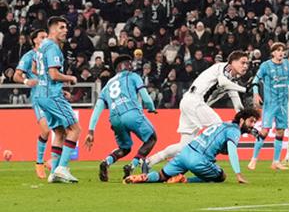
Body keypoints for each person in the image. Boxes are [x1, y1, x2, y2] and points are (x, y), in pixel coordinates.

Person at [145, 52, 250, 169]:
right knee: (219, 127)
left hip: (189, 102)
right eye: (242, 62)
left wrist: (245, 119)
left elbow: (237, 104)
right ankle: (208, 160)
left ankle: (150, 161)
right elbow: (223, 82)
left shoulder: (232, 80)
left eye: (247, 63)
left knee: (184, 146)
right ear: (232, 62)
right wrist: (245, 89)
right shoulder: (222, 68)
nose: (245, 66)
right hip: (195, 101)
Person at [125, 108, 258, 185]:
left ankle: (141, 177)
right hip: (198, 159)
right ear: (241, 120)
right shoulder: (234, 130)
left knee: (162, 176)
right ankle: (184, 179)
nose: (253, 125)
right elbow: (232, 151)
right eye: (251, 121)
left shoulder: (223, 124)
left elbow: (219, 146)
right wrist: (238, 174)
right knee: (221, 176)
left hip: (185, 152)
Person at [85, 54, 158, 182]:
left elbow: (97, 108)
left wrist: (91, 130)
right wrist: (151, 107)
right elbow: (145, 97)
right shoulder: (133, 76)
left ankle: (106, 162)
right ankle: (132, 165)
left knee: (125, 148)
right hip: (131, 112)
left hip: (114, 118)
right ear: (128, 65)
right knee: (152, 138)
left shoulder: (107, 85)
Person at [36, 17, 87, 184]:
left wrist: (59, 88)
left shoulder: (43, 46)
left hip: (42, 95)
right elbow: (53, 74)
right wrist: (70, 78)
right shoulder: (53, 47)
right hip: (52, 95)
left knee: (59, 132)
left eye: (66, 27)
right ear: (52, 30)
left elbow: (41, 73)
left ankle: (54, 173)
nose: (66, 30)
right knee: (75, 129)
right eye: (62, 27)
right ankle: (62, 168)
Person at [248, 43, 289, 171]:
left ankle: (276, 162)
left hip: (283, 104)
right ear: (273, 52)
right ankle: (254, 159)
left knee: (280, 131)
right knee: (265, 131)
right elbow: (255, 81)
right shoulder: (265, 66)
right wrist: (256, 94)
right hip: (270, 104)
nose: (281, 53)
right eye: (278, 50)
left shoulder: (286, 65)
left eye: (282, 50)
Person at [14, 28, 51, 179]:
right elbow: (16, 75)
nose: (45, 39)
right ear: (35, 40)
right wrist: (26, 81)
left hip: (52, 98)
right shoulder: (29, 56)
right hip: (38, 98)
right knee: (46, 130)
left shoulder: (49, 55)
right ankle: (39, 163)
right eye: (42, 37)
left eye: (46, 36)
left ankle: (54, 163)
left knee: (63, 130)